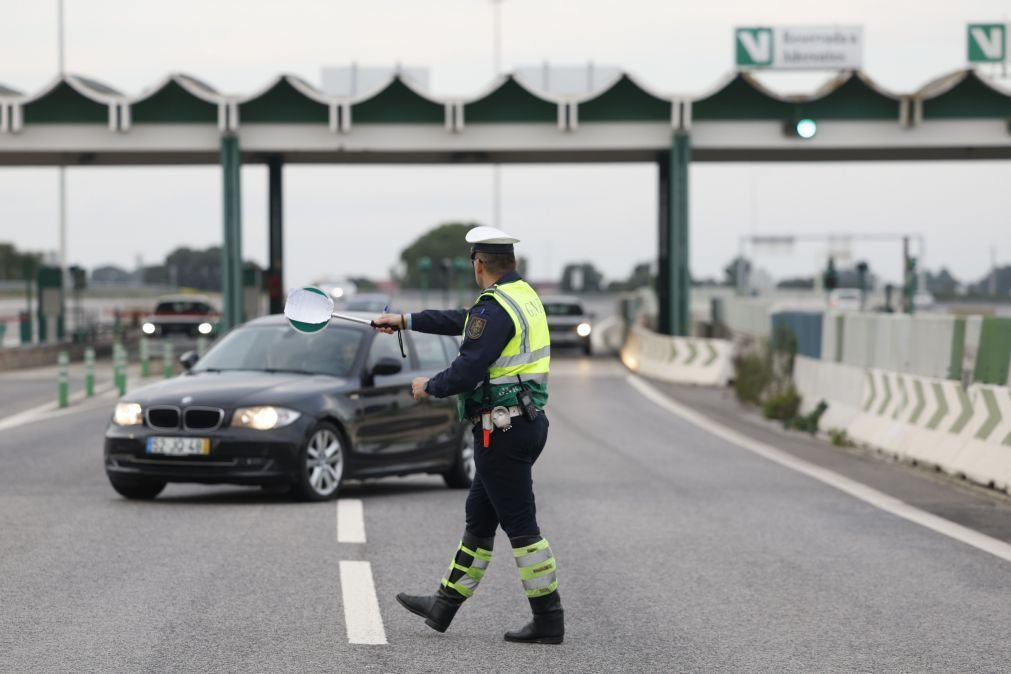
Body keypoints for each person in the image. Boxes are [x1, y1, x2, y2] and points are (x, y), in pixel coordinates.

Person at [372, 226, 563, 645]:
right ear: (509, 263)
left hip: (503, 429)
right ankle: (443, 606)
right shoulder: (523, 297)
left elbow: (468, 368)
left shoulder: (495, 308)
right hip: (525, 422)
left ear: (478, 264)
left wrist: (429, 386)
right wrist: (404, 320)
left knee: (522, 529)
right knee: (479, 522)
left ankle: (549, 618)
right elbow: (465, 320)